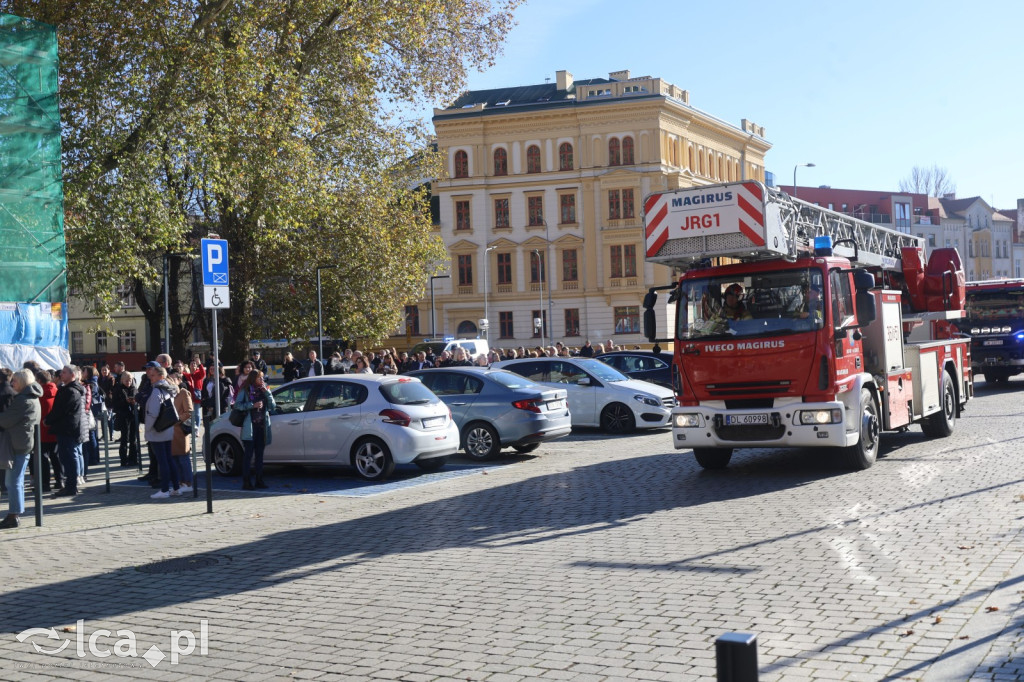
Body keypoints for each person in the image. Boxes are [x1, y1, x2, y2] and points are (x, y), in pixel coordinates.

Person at [0, 369, 43, 528]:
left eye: (15, 381)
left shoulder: (23, 400)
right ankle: (15, 513)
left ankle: (14, 515)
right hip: (22, 442)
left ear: (23, 382)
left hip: (18, 444)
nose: (12, 383)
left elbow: (5, 420)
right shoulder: (31, 397)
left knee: (13, 482)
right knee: (15, 481)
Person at [44, 365, 88, 497]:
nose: (61, 375)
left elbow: (60, 410)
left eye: (64, 372)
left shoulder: (71, 391)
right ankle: (70, 485)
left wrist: (48, 420)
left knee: (69, 457)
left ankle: (71, 486)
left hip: (68, 429)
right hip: (66, 428)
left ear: (72, 375)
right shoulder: (67, 389)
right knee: (66, 457)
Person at [232, 370, 276, 490]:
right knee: (248, 455)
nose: (262, 380)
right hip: (250, 428)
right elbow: (237, 405)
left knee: (259, 456)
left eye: (262, 378)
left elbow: (272, 406)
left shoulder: (264, 390)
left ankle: (259, 480)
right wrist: (252, 405)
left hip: (262, 427)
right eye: (259, 378)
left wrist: (267, 392)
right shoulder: (245, 390)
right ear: (253, 379)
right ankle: (246, 482)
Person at [145, 366, 181, 499]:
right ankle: (176, 487)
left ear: (161, 376)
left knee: (162, 461)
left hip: (157, 429)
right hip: (167, 428)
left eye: (153, 375)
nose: (151, 377)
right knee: (169, 459)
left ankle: (165, 489)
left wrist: (147, 428)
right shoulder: (168, 389)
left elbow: (153, 413)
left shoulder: (157, 391)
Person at [167, 369, 194, 493]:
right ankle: (178, 483)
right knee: (174, 459)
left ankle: (188, 483)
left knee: (183, 458)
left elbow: (189, 412)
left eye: (173, 379)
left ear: (179, 380)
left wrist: (176, 420)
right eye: (169, 379)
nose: (171, 381)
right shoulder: (168, 394)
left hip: (180, 431)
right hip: (170, 431)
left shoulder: (183, 393)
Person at [35, 369, 59, 491]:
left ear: (39, 381)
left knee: (43, 458)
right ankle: (60, 480)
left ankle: (45, 483)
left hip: (42, 430)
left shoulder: (39, 395)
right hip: (55, 429)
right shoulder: (57, 391)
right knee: (56, 456)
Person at [111, 370, 138, 466]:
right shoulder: (118, 389)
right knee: (124, 439)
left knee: (133, 438)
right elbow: (114, 405)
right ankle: (123, 460)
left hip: (133, 415)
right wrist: (125, 401)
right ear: (122, 380)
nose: (128, 382)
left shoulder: (134, 389)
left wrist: (134, 402)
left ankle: (133, 459)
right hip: (123, 415)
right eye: (126, 380)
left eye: (130, 380)